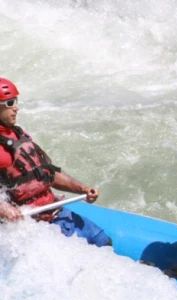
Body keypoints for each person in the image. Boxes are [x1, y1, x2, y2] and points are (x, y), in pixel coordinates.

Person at [0, 78, 111, 247]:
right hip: (32, 226)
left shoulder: (20, 135)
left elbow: (46, 174)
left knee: (104, 242)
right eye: (9, 103)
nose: (16, 107)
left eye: (15, 101)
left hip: (55, 210)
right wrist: (3, 209)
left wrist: (82, 189)